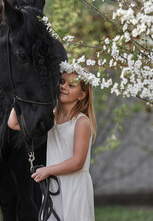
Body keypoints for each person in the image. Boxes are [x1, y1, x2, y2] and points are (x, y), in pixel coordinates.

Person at [8, 61, 97, 221]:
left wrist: (47, 170)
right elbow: (13, 123)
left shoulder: (81, 122)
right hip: (55, 184)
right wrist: (24, 93)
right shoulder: (51, 117)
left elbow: (78, 162)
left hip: (74, 186)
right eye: (62, 82)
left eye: (72, 85)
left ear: (82, 95)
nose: (64, 87)